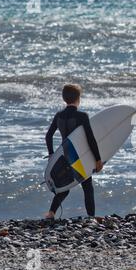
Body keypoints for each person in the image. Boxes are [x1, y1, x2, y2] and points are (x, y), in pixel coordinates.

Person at [44, 84, 103, 219]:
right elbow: (90, 139)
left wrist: (52, 154)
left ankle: (51, 213)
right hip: (79, 157)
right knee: (87, 186)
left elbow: (48, 136)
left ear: (64, 99)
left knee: (64, 187)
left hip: (64, 155)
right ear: (79, 98)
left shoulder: (59, 115)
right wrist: (98, 159)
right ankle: (91, 216)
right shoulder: (82, 116)